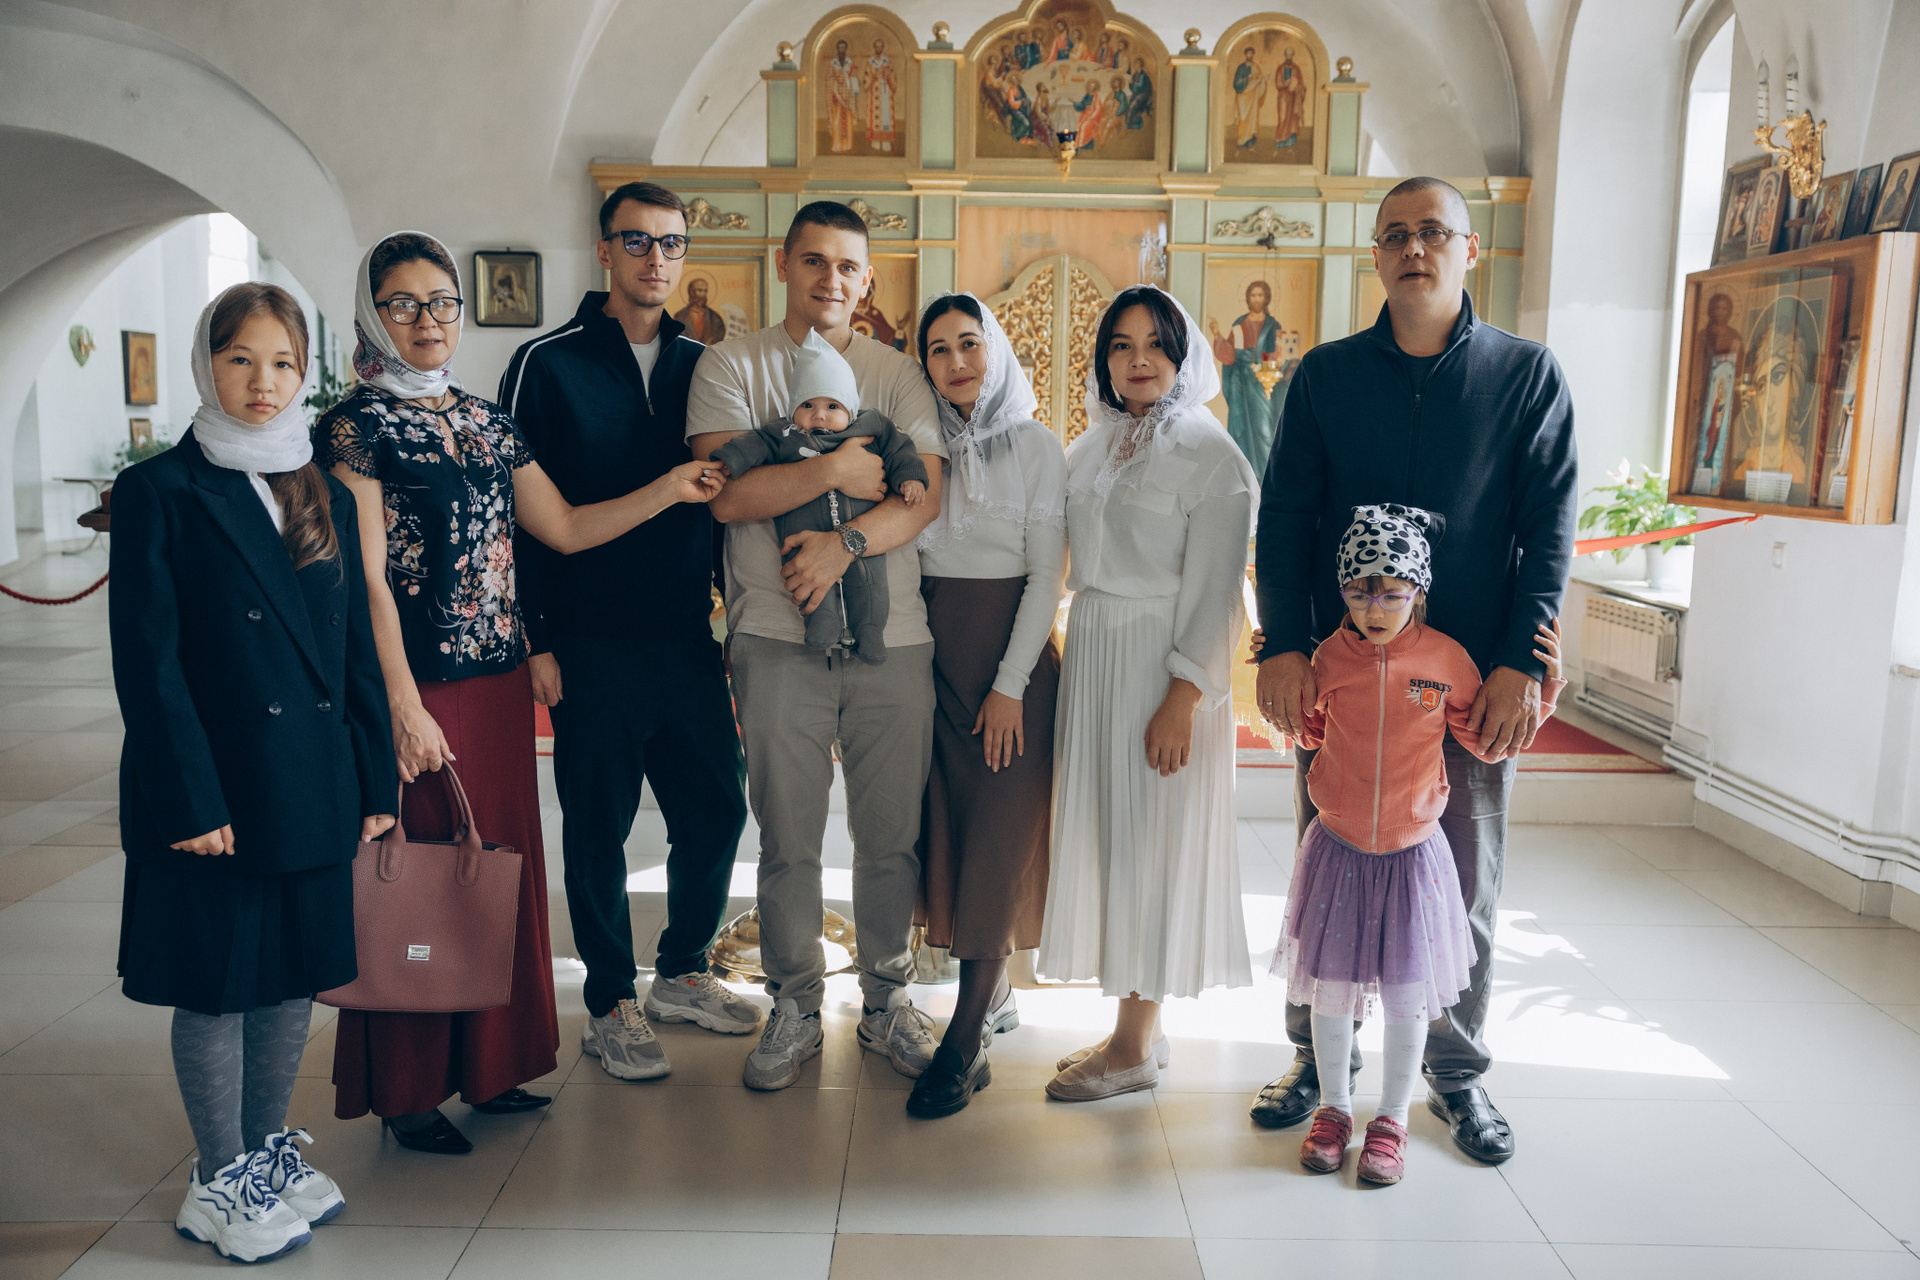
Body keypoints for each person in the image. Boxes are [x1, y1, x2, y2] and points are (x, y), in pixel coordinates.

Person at [322, 230, 721, 1150]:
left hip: (498, 682)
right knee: (424, 875)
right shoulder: (355, 427)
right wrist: (400, 705)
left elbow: (568, 528)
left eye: (442, 302)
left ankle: (492, 1067)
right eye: (403, 304)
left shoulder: (483, 419)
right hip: (421, 686)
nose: (428, 321)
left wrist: (670, 489)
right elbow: (366, 579)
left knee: (495, 869)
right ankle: (410, 1089)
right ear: (373, 316)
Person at [1252, 176, 1577, 1164]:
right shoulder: (1327, 376)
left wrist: (1522, 659)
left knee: (1463, 878)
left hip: (1468, 681)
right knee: (1329, 865)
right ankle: (1319, 1062)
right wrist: (1282, 644)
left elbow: (1548, 527)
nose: (1414, 248)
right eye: (1395, 234)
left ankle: (1454, 1073)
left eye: (1434, 232)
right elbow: (1286, 516)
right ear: (1376, 254)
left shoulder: (1526, 375)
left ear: (1469, 249)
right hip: (1344, 674)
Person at [112, 283, 397, 1262]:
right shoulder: (160, 492)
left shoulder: (325, 489)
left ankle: (264, 1157)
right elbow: (148, 666)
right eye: (240, 359)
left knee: (291, 980)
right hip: (216, 789)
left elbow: (352, 655)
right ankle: (217, 1177)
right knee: (220, 982)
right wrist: (187, 798)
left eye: (282, 362)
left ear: (306, 371)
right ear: (208, 365)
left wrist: (372, 783)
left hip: (309, 780)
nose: (263, 382)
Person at [687, 201, 946, 1092]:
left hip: (893, 638)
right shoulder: (732, 363)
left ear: (867, 279)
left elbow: (923, 493)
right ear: (783, 265)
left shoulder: (897, 373)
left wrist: (845, 544)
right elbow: (727, 495)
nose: (830, 279)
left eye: (847, 266)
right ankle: (794, 1004)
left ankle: (887, 1000)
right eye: (813, 261)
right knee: (788, 839)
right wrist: (834, 470)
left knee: (890, 838)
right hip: (773, 635)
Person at [499, 182, 754, 1085]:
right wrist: (536, 638)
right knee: (598, 827)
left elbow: (732, 503)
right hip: (588, 636)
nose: (656, 259)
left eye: (671, 243)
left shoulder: (705, 365)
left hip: (685, 633)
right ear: (604, 250)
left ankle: (682, 971)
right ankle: (609, 999)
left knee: (717, 808)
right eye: (637, 241)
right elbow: (513, 516)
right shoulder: (545, 363)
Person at [1281, 504, 1564, 1186]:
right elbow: (1311, 732)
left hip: (1413, 856)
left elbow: (1483, 740)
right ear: (1343, 591)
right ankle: (1334, 1110)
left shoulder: (1446, 659)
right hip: (1338, 849)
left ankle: (1391, 1121)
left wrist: (1546, 689)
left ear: (1419, 589)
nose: (1375, 608)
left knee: (1409, 995)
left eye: (1392, 592)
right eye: (1359, 592)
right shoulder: (1330, 657)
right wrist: (1286, 697)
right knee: (1332, 990)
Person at [1038, 285, 1258, 1102]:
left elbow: (1218, 593)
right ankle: (1139, 1027)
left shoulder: (1212, 456)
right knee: (1115, 839)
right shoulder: (1089, 446)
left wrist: (1182, 697)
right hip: (1098, 654)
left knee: (1151, 844)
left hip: (1163, 666)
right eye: (1121, 345)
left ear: (1184, 355)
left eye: (1157, 345)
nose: (1138, 361)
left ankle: (1131, 1049)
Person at [906, 294, 1067, 1118]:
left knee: (998, 851)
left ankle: (963, 1042)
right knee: (951, 839)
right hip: (932, 672)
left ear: (995, 350)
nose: (957, 361)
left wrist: (1008, 687)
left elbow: (1047, 576)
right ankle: (989, 996)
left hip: (1013, 677)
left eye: (970, 343)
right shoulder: (916, 445)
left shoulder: (1037, 446)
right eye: (938, 349)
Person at [708, 330, 929, 664]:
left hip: (864, 539)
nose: (819, 414)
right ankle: (821, 623)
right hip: (801, 536)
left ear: (850, 408)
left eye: (832, 406)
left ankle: (870, 631)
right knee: (807, 582)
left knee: (870, 584)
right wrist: (729, 460)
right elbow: (751, 447)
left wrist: (911, 477)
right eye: (807, 405)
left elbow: (902, 450)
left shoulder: (871, 426)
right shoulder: (784, 434)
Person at [1209, 280, 1281, 474]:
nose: (1256, 299)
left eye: (1260, 295)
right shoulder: (1239, 324)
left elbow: (1279, 351)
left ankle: (1266, 476)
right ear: (1248, 298)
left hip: (1262, 382)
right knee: (1239, 428)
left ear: (1266, 298)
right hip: (1240, 381)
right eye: (1253, 295)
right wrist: (1217, 334)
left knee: (1264, 429)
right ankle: (1241, 474)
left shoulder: (1273, 325)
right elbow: (1229, 355)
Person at [673, 276, 728, 346]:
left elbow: (719, 338)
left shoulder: (715, 318)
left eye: (705, 291)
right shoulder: (680, 317)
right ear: (691, 292)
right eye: (700, 290)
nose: (703, 294)